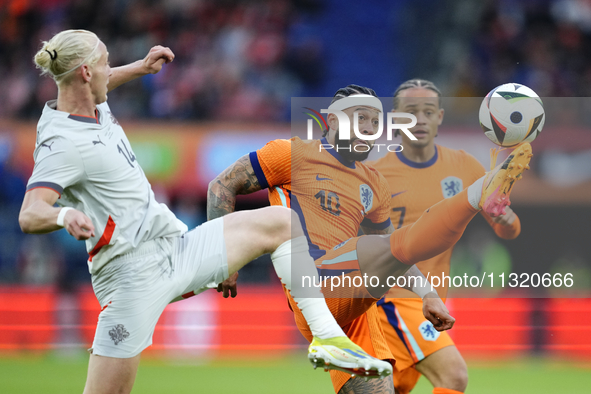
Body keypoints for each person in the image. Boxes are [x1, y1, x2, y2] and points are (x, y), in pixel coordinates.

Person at [18, 30, 392, 394]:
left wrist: (141, 67)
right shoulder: (62, 143)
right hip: (130, 279)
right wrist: (63, 217)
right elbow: (30, 213)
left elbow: (102, 82)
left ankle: (327, 339)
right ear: (85, 72)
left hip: (175, 249)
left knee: (282, 221)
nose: (110, 70)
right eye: (105, 63)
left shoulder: (92, 101)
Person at [207, 84, 533, 393]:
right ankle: (475, 196)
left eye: (375, 121)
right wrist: (223, 258)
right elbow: (221, 186)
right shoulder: (290, 154)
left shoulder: (374, 184)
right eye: (360, 117)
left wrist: (428, 295)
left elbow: (393, 250)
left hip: (356, 304)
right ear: (332, 120)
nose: (369, 127)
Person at [371, 79, 524, 394]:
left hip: (434, 301)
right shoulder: (375, 175)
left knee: (390, 389)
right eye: (410, 112)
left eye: (428, 111)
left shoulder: (465, 166)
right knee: (453, 376)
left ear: (440, 117)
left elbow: (506, 230)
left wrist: (506, 218)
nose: (420, 119)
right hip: (394, 298)